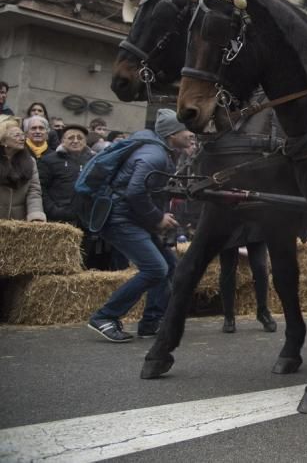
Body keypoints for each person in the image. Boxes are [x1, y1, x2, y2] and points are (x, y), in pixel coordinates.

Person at [87, 109, 194, 343]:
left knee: (169, 265)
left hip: (134, 217)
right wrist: (157, 219)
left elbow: (144, 191)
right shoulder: (154, 155)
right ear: (172, 133)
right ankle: (104, 316)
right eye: (187, 129)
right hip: (120, 219)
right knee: (155, 268)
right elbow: (135, 192)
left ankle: (150, 323)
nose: (191, 133)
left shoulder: (161, 150)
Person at [36, 124, 109, 268]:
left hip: (86, 222)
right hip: (59, 220)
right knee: (57, 264)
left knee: (82, 264)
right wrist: (53, 210)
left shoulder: (95, 161)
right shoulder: (49, 160)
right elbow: (40, 188)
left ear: (85, 141)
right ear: (62, 140)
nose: (75, 141)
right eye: (71, 137)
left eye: (80, 138)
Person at [219, 223, 277, 334]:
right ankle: (229, 315)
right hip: (228, 221)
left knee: (260, 267)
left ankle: (263, 311)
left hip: (254, 220)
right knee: (228, 270)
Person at [0, 120, 46, 222]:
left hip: (18, 223)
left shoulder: (30, 162)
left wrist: (36, 216)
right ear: (3, 141)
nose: (22, 139)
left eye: (22, 135)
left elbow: (34, 191)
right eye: (16, 136)